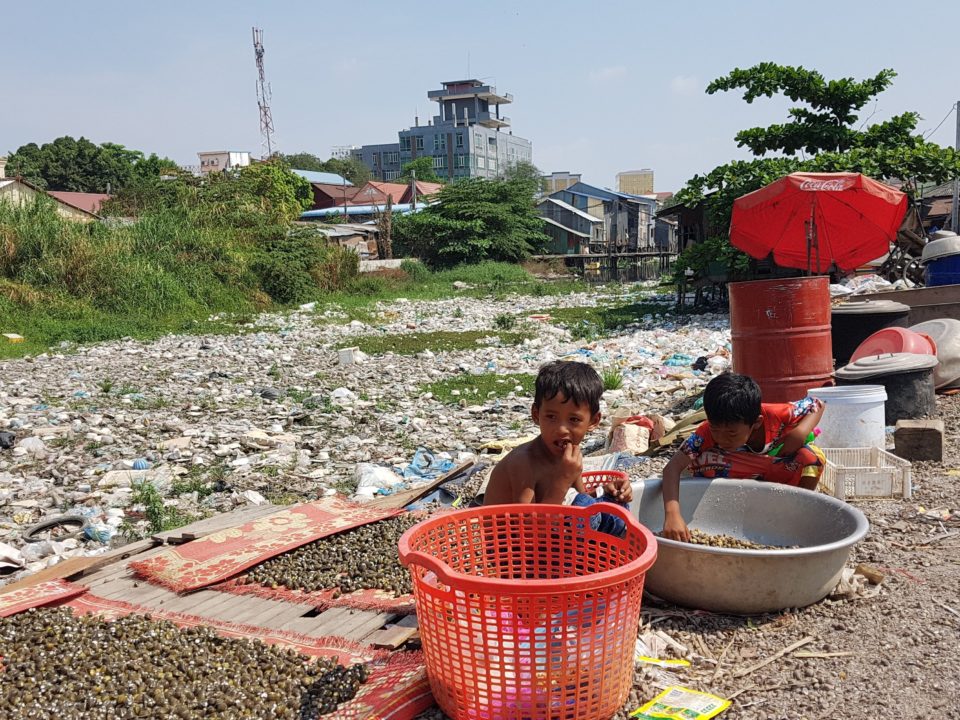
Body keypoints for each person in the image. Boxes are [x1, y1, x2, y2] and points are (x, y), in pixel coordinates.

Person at [661, 372, 826, 542]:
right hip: (732, 475)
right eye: (715, 429)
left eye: (731, 433)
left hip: (769, 469)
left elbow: (817, 404)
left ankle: (794, 511)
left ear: (756, 423)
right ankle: (722, 512)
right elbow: (672, 468)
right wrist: (672, 514)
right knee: (703, 458)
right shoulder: (705, 433)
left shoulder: (779, 414)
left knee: (812, 457)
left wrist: (799, 433)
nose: (721, 438)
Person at [483, 360, 632, 535]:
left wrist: (605, 491)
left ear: (593, 421)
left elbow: (580, 499)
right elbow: (527, 532)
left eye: (574, 420)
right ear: (536, 415)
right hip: (511, 550)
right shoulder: (524, 462)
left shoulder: (571, 455)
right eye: (551, 417)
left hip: (547, 536)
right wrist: (562, 480)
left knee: (615, 507)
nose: (561, 429)